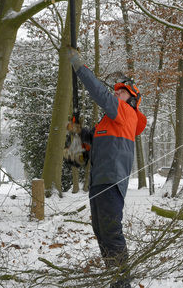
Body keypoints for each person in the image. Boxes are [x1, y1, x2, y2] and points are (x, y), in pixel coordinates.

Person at [68, 47, 147, 288]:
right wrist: (76, 133)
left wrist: (79, 67)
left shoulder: (127, 113)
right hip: (97, 183)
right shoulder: (106, 123)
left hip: (111, 181)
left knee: (111, 232)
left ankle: (122, 283)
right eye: (117, 93)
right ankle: (115, 279)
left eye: (121, 93)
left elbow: (101, 94)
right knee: (101, 233)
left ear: (131, 99)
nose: (116, 95)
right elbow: (78, 158)